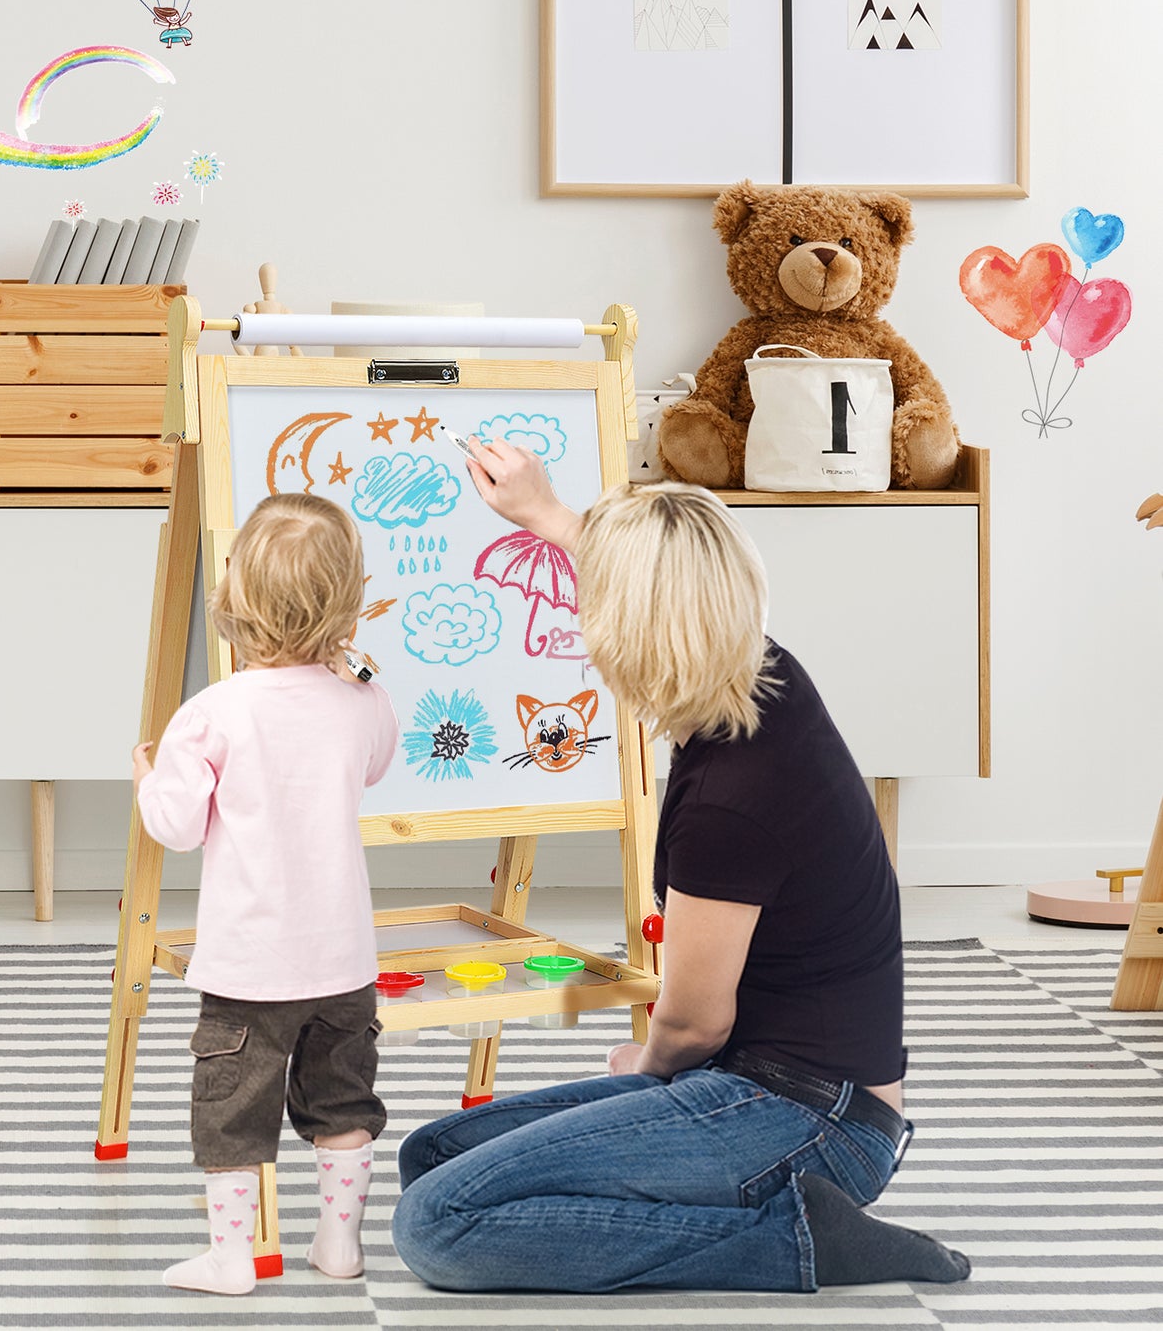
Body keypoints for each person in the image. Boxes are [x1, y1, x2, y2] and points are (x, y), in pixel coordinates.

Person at [390, 439, 971, 1295]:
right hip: (759, 1078)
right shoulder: (760, 668)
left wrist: (649, 1069)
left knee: (437, 1225)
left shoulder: (729, 803)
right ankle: (755, 1214)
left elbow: (694, 1021)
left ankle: (801, 1243)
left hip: (812, 1119)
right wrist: (547, 513)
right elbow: (663, 573)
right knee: (431, 1154)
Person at [132, 493, 398, 1296]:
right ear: (349, 600)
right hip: (345, 960)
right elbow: (374, 766)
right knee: (343, 1098)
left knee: (231, 1111)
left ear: (234, 594)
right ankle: (339, 1242)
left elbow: (175, 827)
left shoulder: (211, 713)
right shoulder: (363, 699)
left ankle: (230, 1256)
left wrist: (148, 778)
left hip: (250, 967)